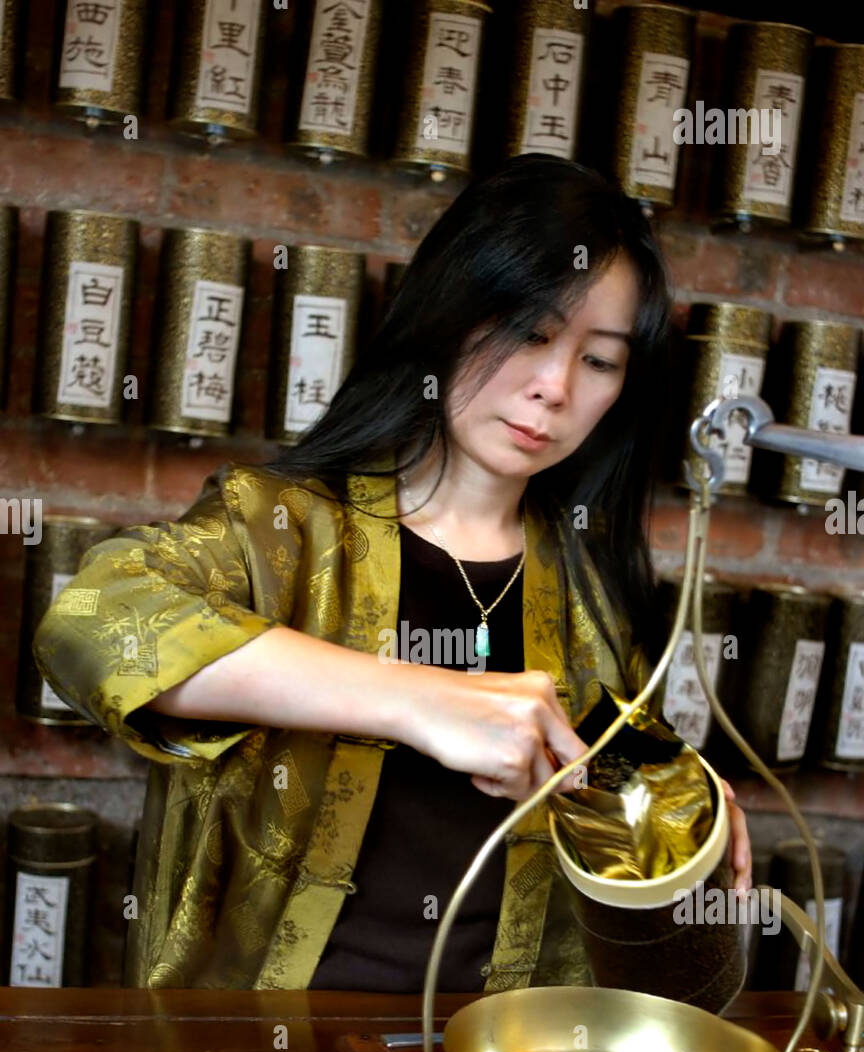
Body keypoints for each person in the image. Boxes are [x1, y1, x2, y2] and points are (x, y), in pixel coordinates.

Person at [32, 155, 751, 993]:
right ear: (449, 314)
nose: (553, 387)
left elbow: (603, 811)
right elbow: (88, 621)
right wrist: (423, 698)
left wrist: (679, 814)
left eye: (600, 360)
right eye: (530, 331)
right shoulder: (283, 526)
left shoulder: (593, 586)